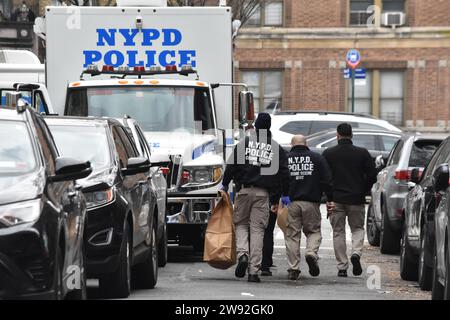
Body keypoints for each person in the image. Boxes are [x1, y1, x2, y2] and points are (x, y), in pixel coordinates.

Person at [222, 113, 289, 283]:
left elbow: (231, 166)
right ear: (269, 128)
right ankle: (253, 271)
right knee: (258, 230)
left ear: (256, 127)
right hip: (263, 194)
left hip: (244, 191)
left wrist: (225, 184)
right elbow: (282, 174)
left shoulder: (244, 144)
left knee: (241, 224)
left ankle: (243, 254)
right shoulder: (275, 148)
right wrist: (280, 196)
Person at [322, 123, 377, 277]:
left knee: (338, 231)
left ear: (337, 135)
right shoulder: (362, 153)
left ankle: (342, 267)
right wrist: (363, 189)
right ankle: (356, 253)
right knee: (357, 229)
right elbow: (372, 175)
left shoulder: (328, 153)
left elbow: (324, 178)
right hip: (356, 198)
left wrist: (328, 195)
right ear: (351, 135)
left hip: (336, 198)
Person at [283, 135, 332, 280]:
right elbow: (327, 180)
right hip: (312, 202)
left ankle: (293, 268)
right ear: (306, 144)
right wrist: (330, 198)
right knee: (313, 231)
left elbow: (280, 178)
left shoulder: (286, 158)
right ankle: (311, 252)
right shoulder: (317, 158)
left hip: (291, 202)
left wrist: (280, 196)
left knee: (292, 235)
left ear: (292, 144)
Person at [260, 206, 277, 276]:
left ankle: (249, 261)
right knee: (268, 232)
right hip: (269, 203)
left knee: (254, 231)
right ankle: (266, 264)